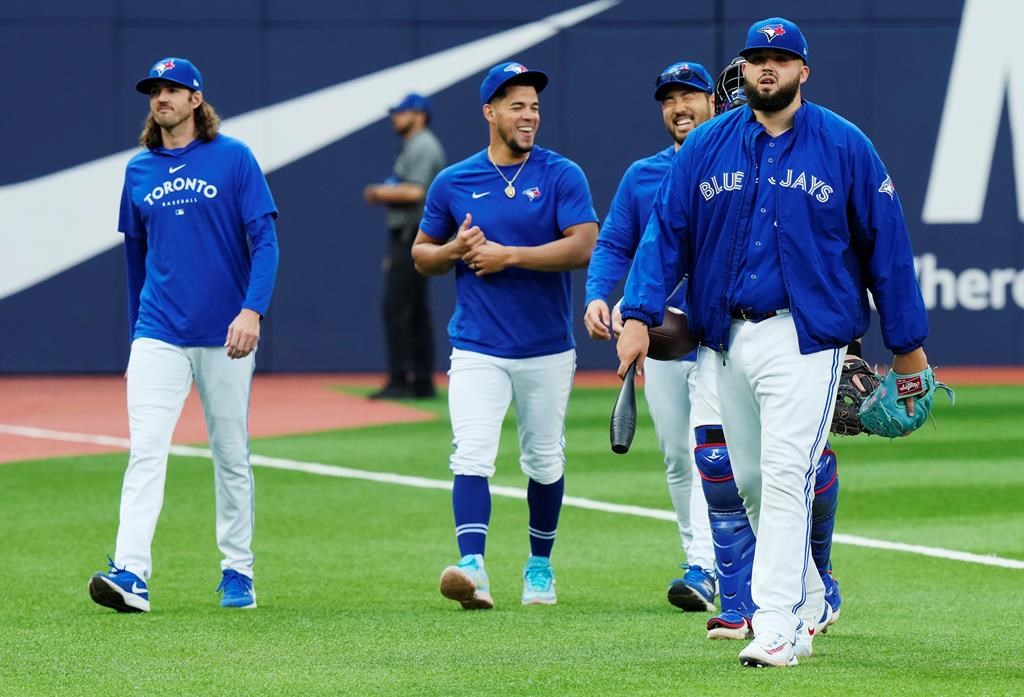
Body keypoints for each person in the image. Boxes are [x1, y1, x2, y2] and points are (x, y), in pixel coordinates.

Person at [617, 17, 932, 668]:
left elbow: (888, 248)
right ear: (745, 68)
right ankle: (811, 598)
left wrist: (909, 347)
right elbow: (666, 234)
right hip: (724, 338)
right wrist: (639, 314)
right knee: (754, 479)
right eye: (758, 57)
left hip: (805, 336)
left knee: (787, 475)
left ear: (802, 72)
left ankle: (777, 626)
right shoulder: (707, 146)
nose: (768, 68)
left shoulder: (845, 147)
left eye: (781, 59)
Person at [88, 56, 279, 613]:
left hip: (226, 333)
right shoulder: (138, 170)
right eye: (154, 90)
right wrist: (136, 334)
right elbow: (135, 257)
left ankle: (237, 570)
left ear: (197, 99)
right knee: (145, 449)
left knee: (230, 451)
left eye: (172, 90)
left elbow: (264, 242)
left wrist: (253, 311)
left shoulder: (234, 158)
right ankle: (131, 574)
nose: (160, 98)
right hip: (158, 332)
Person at [411, 61, 598, 609]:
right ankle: (472, 569)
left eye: (534, 106)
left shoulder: (562, 174)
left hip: (545, 346)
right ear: (490, 112)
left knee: (544, 460)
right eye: (517, 105)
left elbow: (583, 245)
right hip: (477, 345)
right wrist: (453, 251)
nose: (529, 116)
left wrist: (508, 255)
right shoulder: (454, 181)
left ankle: (539, 568)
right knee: (470, 453)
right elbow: (422, 254)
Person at [582, 61, 718, 612]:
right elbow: (614, 242)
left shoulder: (737, 162)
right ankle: (698, 563)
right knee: (675, 454)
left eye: (690, 95)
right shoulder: (643, 174)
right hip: (661, 339)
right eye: (669, 99)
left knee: (713, 448)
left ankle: (719, 563)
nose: (679, 106)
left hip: (721, 337)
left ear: (714, 101)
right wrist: (597, 292)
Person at [364, 93, 446, 399]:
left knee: (398, 309)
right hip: (406, 235)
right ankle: (421, 381)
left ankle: (402, 379)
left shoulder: (424, 144)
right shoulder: (414, 145)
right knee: (414, 311)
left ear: (419, 115)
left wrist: (379, 193)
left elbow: (414, 192)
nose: (395, 117)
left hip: (415, 235)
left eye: (402, 112)